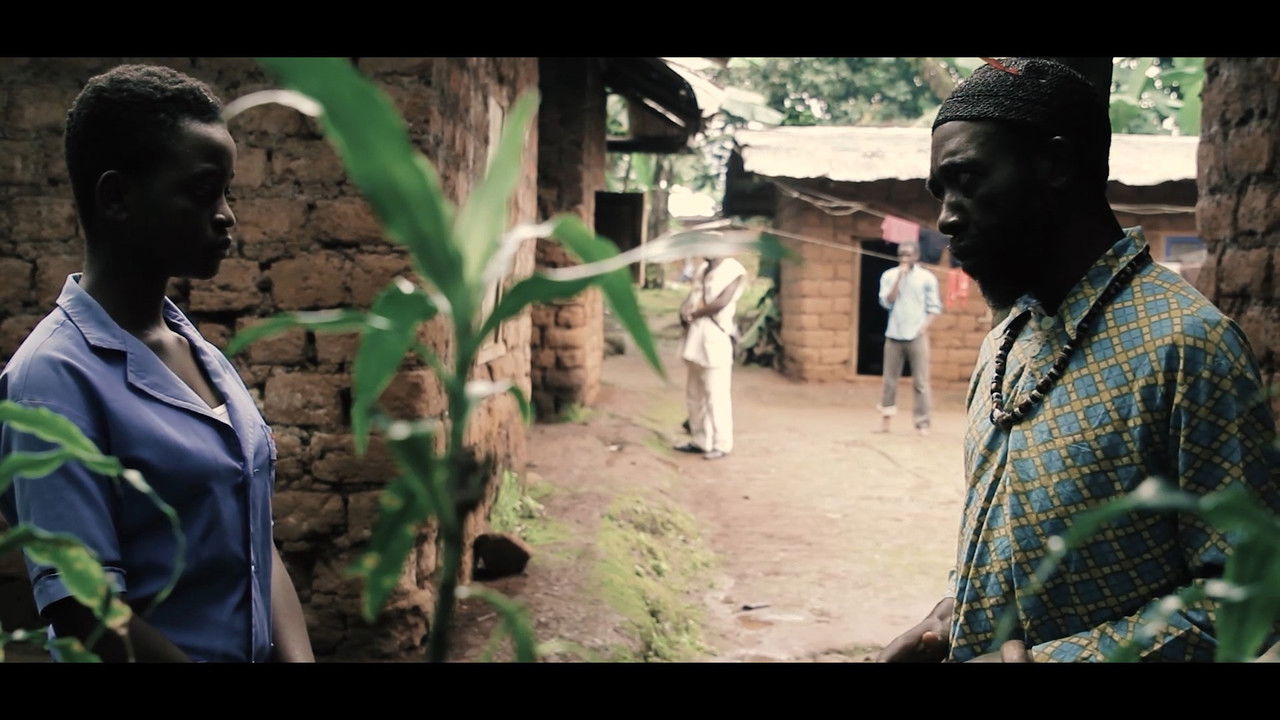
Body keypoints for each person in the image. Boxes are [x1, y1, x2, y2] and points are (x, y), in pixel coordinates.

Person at [880, 57, 1280, 662]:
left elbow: (1249, 599)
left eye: (969, 179)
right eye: (941, 191)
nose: (947, 216)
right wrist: (950, 617)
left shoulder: (1189, 348)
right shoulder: (1006, 343)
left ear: (1057, 166)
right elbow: (1014, 549)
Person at [0, 65, 313, 662]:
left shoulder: (201, 354)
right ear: (116, 198)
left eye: (227, 191)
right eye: (202, 191)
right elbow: (87, 612)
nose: (226, 214)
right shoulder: (52, 380)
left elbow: (255, 542)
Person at [674, 256, 747, 460]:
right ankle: (700, 440)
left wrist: (695, 314)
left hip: (716, 338)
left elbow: (721, 302)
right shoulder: (702, 269)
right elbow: (692, 297)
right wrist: (684, 313)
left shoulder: (733, 269)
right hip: (695, 338)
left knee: (717, 396)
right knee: (694, 394)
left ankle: (722, 443)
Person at [876, 241, 941, 435]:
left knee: (921, 382)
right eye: (901, 254)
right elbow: (887, 301)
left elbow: (934, 307)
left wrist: (924, 327)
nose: (904, 258)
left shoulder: (926, 278)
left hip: (916, 335)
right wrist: (900, 278)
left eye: (908, 254)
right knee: (889, 381)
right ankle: (886, 421)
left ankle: (923, 423)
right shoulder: (889, 276)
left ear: (916, 256)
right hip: (894, 334)